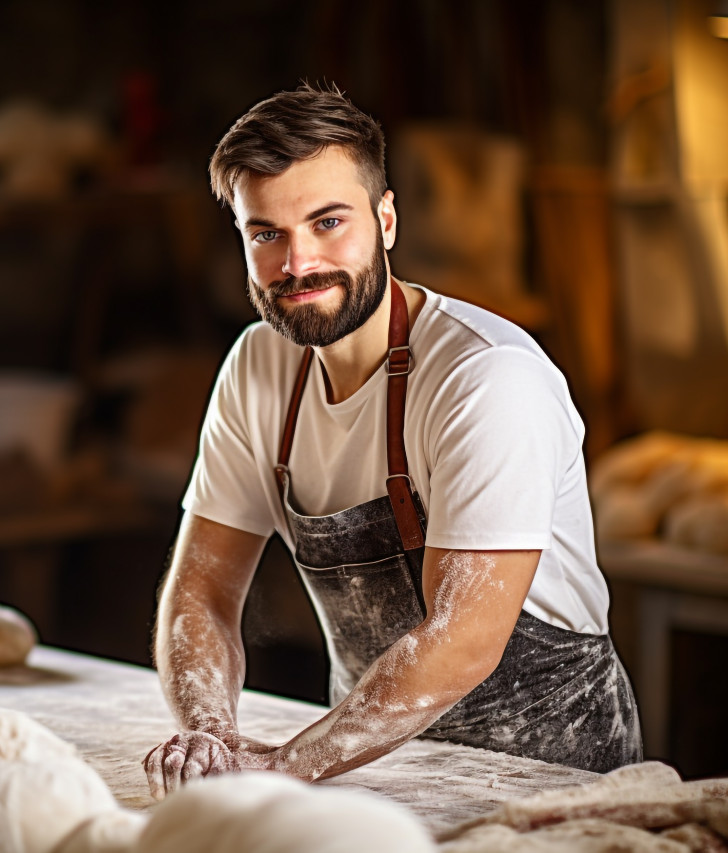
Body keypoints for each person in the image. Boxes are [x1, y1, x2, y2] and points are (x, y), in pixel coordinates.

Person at [143, 82, 641, 800]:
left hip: (549, 777)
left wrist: (280, 770)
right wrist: (209, 737)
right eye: (266, 234)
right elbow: (203, 591)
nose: (298, 263)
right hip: (366, 764)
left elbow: (464, 638)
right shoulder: (260, 367)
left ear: (386, 219)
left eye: (328, 222)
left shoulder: (486, 377)